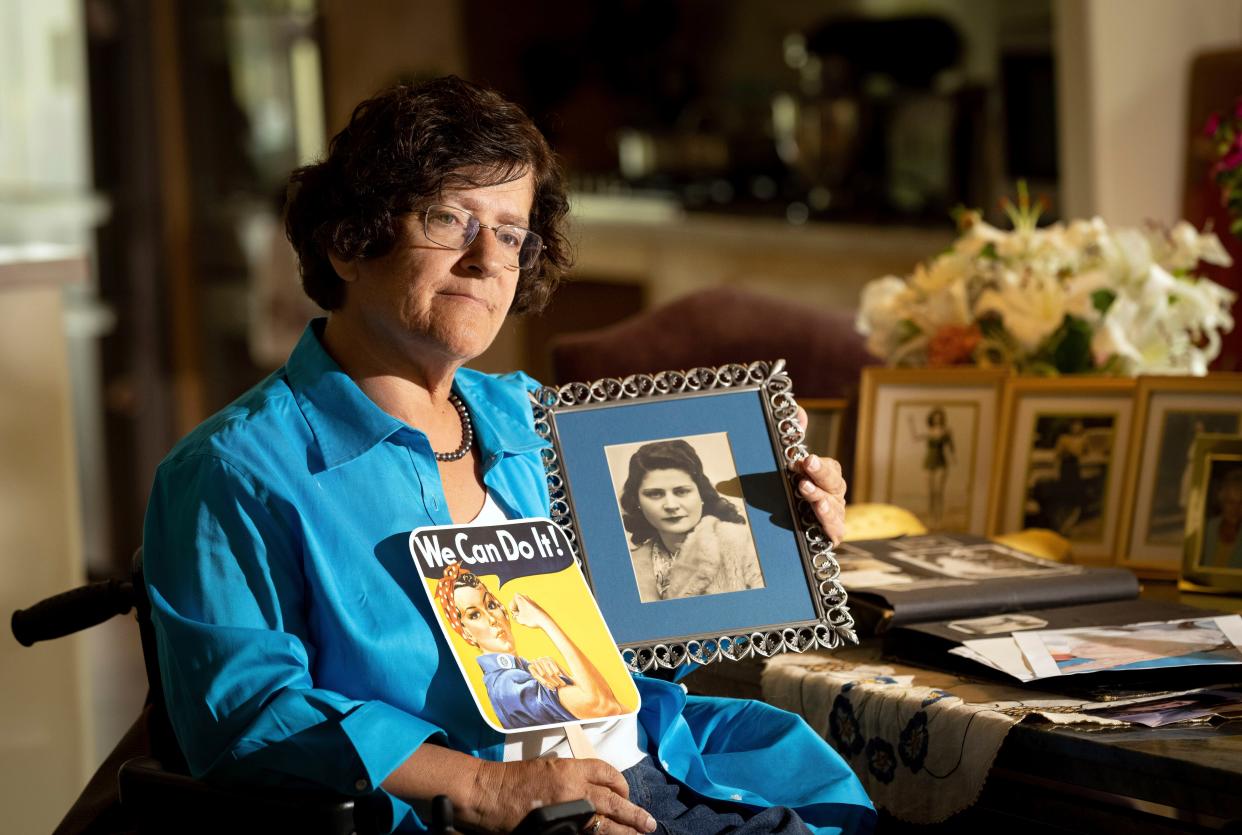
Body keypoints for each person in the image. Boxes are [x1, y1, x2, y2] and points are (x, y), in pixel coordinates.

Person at [143, 76, 871, 835]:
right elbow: (247, 714)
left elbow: (639, 632)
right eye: (449, 218)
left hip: (660, 762)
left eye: (512, 232)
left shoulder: (532, 416)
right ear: (349, 242)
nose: (488, 258)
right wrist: (484, 786)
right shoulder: (234, 470)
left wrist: (778, 531)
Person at [433, 564, 624, 729]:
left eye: (490, 605)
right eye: (474, 615)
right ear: (465, 632)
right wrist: (545, 621)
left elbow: (619, 710)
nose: (492, 619)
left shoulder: (523, 670)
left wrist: (564, 676)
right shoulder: (506, 684)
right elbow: (604, 706)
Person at [620, 439, 764, 602]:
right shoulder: (628, 566)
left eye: (681, 491)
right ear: (637, 502)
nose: (671, 505)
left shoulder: (743, 545)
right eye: (655, 494)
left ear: (701, 494)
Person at [907, 407, 953, 528]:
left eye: (939, 417)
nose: (937, 419)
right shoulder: (930, 431)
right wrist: (911, 424)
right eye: (935, 417)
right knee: (930, 492)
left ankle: (939, 517)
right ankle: (931, 517)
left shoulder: (946, 431)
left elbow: (951, 447)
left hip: (941, 462)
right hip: (929, 462)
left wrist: (953, 458)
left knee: (939, 492)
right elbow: (915, 437)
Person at [1201, 469, 1242, 568]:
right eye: (1230, 502)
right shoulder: (1205, 529)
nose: (1235, 509)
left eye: (1241, 503)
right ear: (1221, 501)